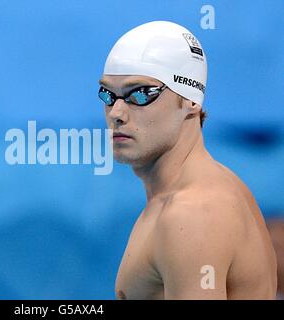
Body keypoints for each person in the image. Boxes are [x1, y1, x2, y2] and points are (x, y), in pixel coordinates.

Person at [98, 21, 277, 299]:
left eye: (141, 94)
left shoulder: (192, 215)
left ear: (191, 101)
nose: (117, 113)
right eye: (108, 95)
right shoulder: (200, 192)